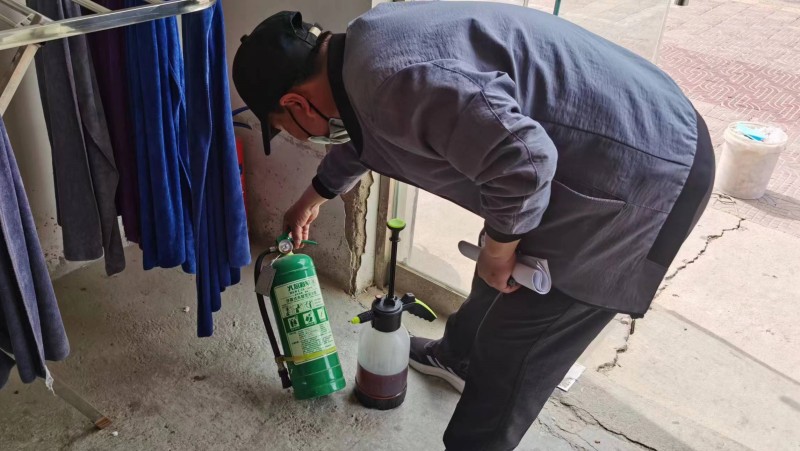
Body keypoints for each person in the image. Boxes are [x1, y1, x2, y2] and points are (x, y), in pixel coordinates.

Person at [232, 3, 715, 450]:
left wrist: (500, 251)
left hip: (648, 173)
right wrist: (313, 197)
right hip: (625, 126)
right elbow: (366, 135)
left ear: (296, 104)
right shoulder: (361, 51)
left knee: (515, 351)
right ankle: (459, 357)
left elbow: (525, 165)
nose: (300, 136)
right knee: (501, 252)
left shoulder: (396, 82)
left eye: (285, 126)